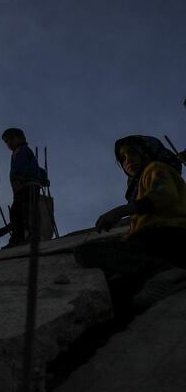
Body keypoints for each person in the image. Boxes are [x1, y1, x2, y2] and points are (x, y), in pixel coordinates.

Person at [75, 135, 186, 320]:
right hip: (157, 242)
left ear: (147, 152)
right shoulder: (138, 187)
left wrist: (121, 211)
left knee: (86, 252)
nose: (128, 161)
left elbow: (164, 196)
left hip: (169, 236)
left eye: (133, 153)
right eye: (123, 158)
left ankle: (165, 272)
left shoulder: (156, 168)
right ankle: (157, 278)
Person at [1, 128, 47, 247]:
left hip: (28, 185)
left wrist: (17, 177)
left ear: (20, 138)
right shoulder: (18, 152)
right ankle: (18, 237)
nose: (8, 143)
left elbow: (22, 165)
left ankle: (32, 235)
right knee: (18, 211)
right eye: (6, 141)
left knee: (27, 210)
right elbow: (37, 167)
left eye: (11, 139)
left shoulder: (21, 150)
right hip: (21, 187)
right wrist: (44, 177)